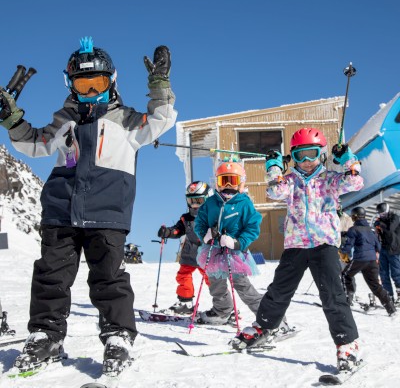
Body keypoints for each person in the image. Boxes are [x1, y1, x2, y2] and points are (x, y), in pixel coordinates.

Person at [0, 37, 177, 375]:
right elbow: (34, 144)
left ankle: (118, 336)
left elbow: (161, 119)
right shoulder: (62, 120)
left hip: (107, 214)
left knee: (109, 278)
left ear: (112, 82)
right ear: (71, 85)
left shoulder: (127, 121)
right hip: (60, 211)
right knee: (51, 276)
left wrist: (159, 87)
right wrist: (12, 121)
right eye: (83, 85)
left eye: (98, 84)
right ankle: (46, 334)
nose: (91, 92)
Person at [232, 128, 364, 372]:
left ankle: (348, 345)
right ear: (292, 156)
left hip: (324, 245)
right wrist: (274, 167)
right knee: (278, 291)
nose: (306, 161)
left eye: (312, 154)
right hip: (295, 246)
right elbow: (274, 192)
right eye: (300, 155)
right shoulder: (290, 181)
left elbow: (355, 181)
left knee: (332, 296)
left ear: (322, 154)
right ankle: (264, 326)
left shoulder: (330, 179)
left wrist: (347, 158)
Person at [194, 158, 265, 325]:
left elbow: (252, 227)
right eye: (223, 180)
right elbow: (200, 223)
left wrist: (237, 242)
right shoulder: (210, 203)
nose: (227, 185)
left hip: (235, 253)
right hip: (213, 251)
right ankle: (222, 311)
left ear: (240, 183)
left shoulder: (244, 203)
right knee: (216, 285)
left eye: (232, 181)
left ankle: (267, 316)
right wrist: (206, 234)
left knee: (243, 287)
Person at [156, 181, 213, 315]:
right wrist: (168, 232)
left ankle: (223, 304)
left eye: (198, 201)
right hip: (189, 254)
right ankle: (185, 302)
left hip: (206, 254)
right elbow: (178, 230)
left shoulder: (212, 217)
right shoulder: (186, 218)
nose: (194, 205)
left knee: (213, 279)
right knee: (183, 276)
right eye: (191, 201)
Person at [341, 207, 396, 315]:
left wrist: (341, 251)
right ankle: (391, 308)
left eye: (352, 216)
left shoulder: (353, 229)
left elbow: (348, 246)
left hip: (360, 259)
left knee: (345, 275)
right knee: (375, 285)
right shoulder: (370, 230)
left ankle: (348, 299)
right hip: (372, 261)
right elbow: (378, 247)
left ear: (355, 216)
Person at [374, 202, 400, 305]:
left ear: (388, 211)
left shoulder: (395, 217)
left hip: (394, 250)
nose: (382, 216)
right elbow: (379, 234)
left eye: (384, 214)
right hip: (384, 249)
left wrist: (380, 223)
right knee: (383, 274)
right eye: (380, 214)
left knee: (396, 273)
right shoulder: (380, 220)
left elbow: (390, 229)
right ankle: (389, 297)